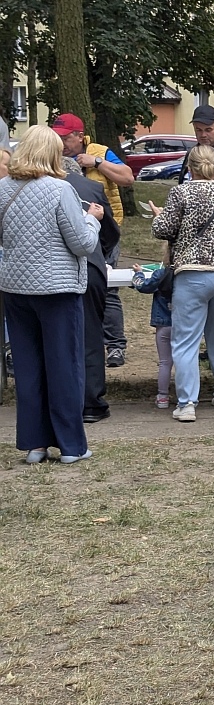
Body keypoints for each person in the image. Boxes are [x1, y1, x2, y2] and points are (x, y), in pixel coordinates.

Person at [0, 125, 102, 464]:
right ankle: (71, 445)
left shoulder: (2, 189)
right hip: (56, 288)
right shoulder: (60, 190)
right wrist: (93, 220)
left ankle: (35, 444)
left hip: (15, 288)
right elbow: (82, 244)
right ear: (52, 154)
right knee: (63, 365)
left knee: (28, 367)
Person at [151, 145, 214, 423]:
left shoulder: (181, 192)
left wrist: (158, 216)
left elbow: (163, 229)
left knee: (186, 339)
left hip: (192, 273)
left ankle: (187, 402)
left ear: (190, 169)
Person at [51, 112, 134, 369]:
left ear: (79, 135)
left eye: (66, 138)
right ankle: (82, 341)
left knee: (107, 289)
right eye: (58, 138)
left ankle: (115, 346)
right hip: (67, 233)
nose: (62, 143)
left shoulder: (100, 151)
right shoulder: (54, 155)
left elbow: (128, 178)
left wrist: (96, 162)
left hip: (104, 231)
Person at [60, 158, 119, 424]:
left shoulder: (39, 187)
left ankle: (62, 399)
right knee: (91, 333)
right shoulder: (92, 189)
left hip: (53, 271)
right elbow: (110, 232)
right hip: (91, 266)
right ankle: (92, 403)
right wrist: (100, 251)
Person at [130, 258, 174, 409]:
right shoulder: (187, 275)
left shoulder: (160, 274)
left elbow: (142, 286)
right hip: (183, 324)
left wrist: (139, 274)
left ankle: (163, 396)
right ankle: (186, 395)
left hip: (163, 323)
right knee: (184, 360)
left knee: (165, 362)